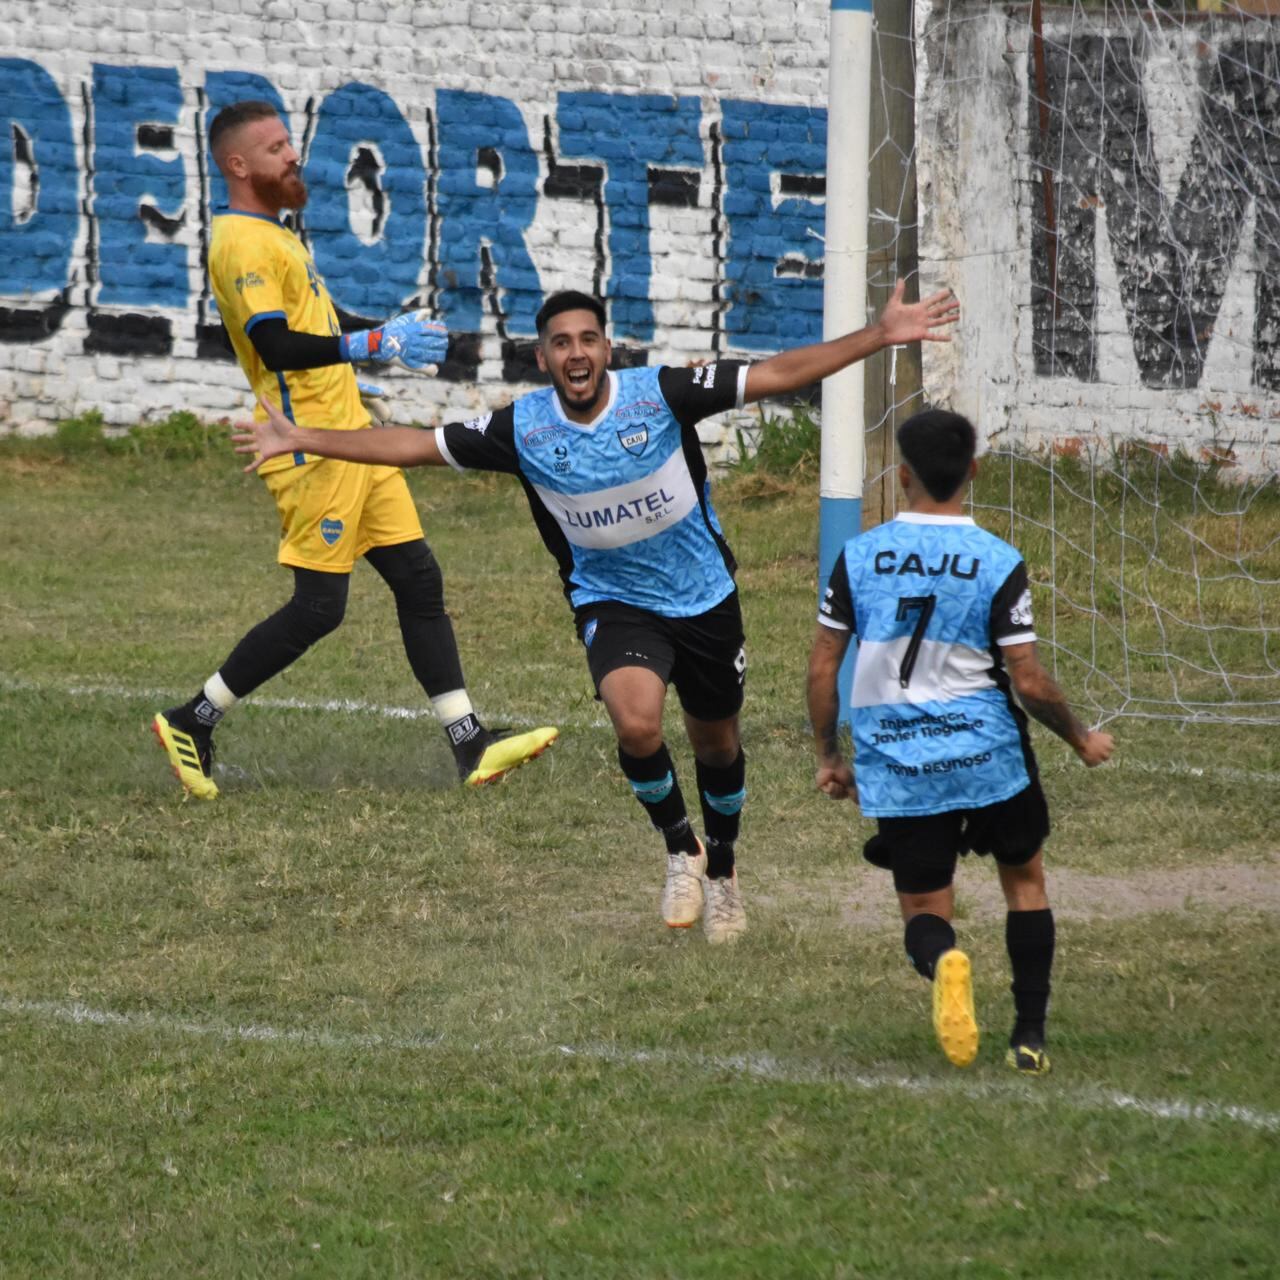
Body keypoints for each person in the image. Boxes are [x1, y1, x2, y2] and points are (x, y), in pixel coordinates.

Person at [234, 286, 959, 941]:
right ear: (543, 357)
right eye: (560, 343)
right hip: (613, 603)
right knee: (637, 721)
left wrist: (880, 334)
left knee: (716, 745)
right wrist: (301, 437)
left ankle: (726, 872)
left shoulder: (662, 396)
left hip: (704, 599)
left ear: (606, 349)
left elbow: (776, 373)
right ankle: (681, 849)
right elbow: (414, 446)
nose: (575, 353)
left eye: (588, 339)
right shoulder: (524, 430)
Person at [152, 100, 556, 799]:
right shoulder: (241, 244)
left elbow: (320, 321)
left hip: (355, 439)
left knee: (418, 581)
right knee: (319, 607)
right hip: (307, 445)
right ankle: (193, 719)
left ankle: (471, 747)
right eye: (276, 147)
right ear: (237, 165)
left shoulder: (275, 236)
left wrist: (386, 335)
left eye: (289, 142)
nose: (292, 156)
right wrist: (365, 345)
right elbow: (274, 344)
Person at [806, 408, 1114, 1073]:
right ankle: (1028, 1036)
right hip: (989, 757)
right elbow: (1027, 680)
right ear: (972, 470)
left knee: (923, 906)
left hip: (900, 763)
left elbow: (823, 664)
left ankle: (945, 960)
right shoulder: (998, 561)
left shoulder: (858, 558)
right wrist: (1080, 737)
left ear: (902, 474)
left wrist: (831, 755)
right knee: (1025, 880)